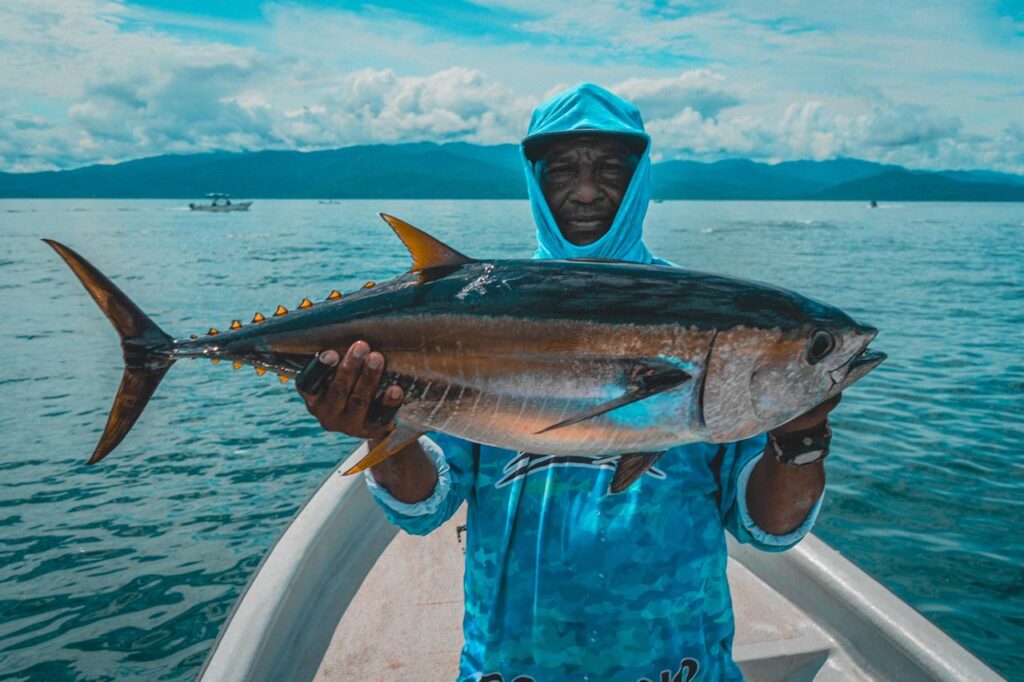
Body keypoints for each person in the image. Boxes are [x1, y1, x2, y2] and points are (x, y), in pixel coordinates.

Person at [298, 83, 838, 681]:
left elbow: (772, 529)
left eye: (608, 169)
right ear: (535, 179)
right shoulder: (482, 308)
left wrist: (802, 437)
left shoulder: (713, 324)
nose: (585, 192)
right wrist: (381, 436)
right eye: (563, 171)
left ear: (638, 179)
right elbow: (425, 506)